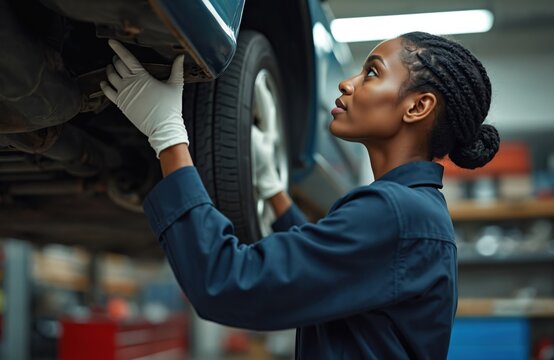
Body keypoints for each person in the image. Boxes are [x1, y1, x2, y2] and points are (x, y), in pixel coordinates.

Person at [100, 31, 499, 359]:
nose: (347, 83)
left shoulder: (396, 214)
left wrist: (168, 135)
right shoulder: (415, 212)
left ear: (418, 106)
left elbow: (225, 282)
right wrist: (275, 192)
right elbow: (326, 266)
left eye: (372, 73)